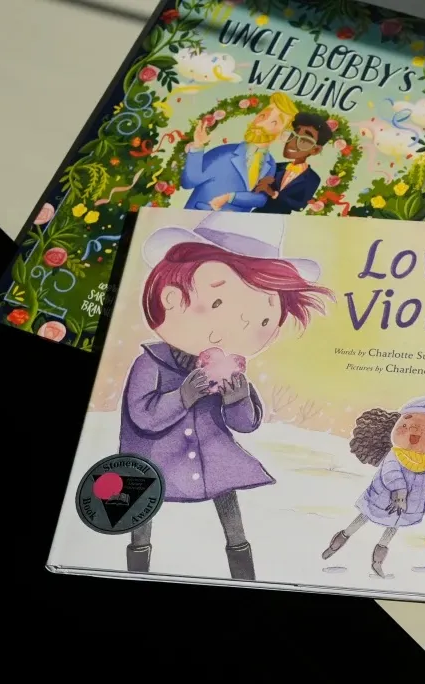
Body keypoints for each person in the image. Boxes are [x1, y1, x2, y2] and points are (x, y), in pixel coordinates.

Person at [120, 212, 332, 579]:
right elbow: (143, 417)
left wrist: (237, 398)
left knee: (230, 510)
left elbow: (245, 424)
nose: (239, 329)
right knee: (142, 510)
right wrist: (184, 395)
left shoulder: (228, 368)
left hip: (213, 456)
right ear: (172, 298)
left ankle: (243, 574)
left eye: (263, 320)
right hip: (152, 460)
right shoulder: (149, 362)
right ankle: (137, 568)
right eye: (220, 305)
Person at [322, 393, 425, 578]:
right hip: (381, 498)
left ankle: (377, 562)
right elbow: (390, 472)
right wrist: (399, 491)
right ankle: (335, 545)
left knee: (391, 530)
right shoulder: (395, 454)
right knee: (361, 519)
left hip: (405, 507)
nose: (414, 432)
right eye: (405, 425)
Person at [181, 92, 297, 211]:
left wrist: (230, 197)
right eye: (262, 116)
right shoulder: (223, 153)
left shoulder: (270, 164)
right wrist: (198, 146)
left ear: (283, 134)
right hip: (197, 217)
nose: (261, 124)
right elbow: (188, 182)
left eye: (274, 122)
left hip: (235, 222)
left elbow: (260, 199)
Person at [253, 112, 332, 214]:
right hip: (257, 214)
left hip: (283, 219)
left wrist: (273, 194)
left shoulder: (313, 178)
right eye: (292, 135)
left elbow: (300, 206)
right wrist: (259, 183)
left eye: (303, 140)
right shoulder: (276, 167)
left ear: (315, 150)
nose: (291, 143)